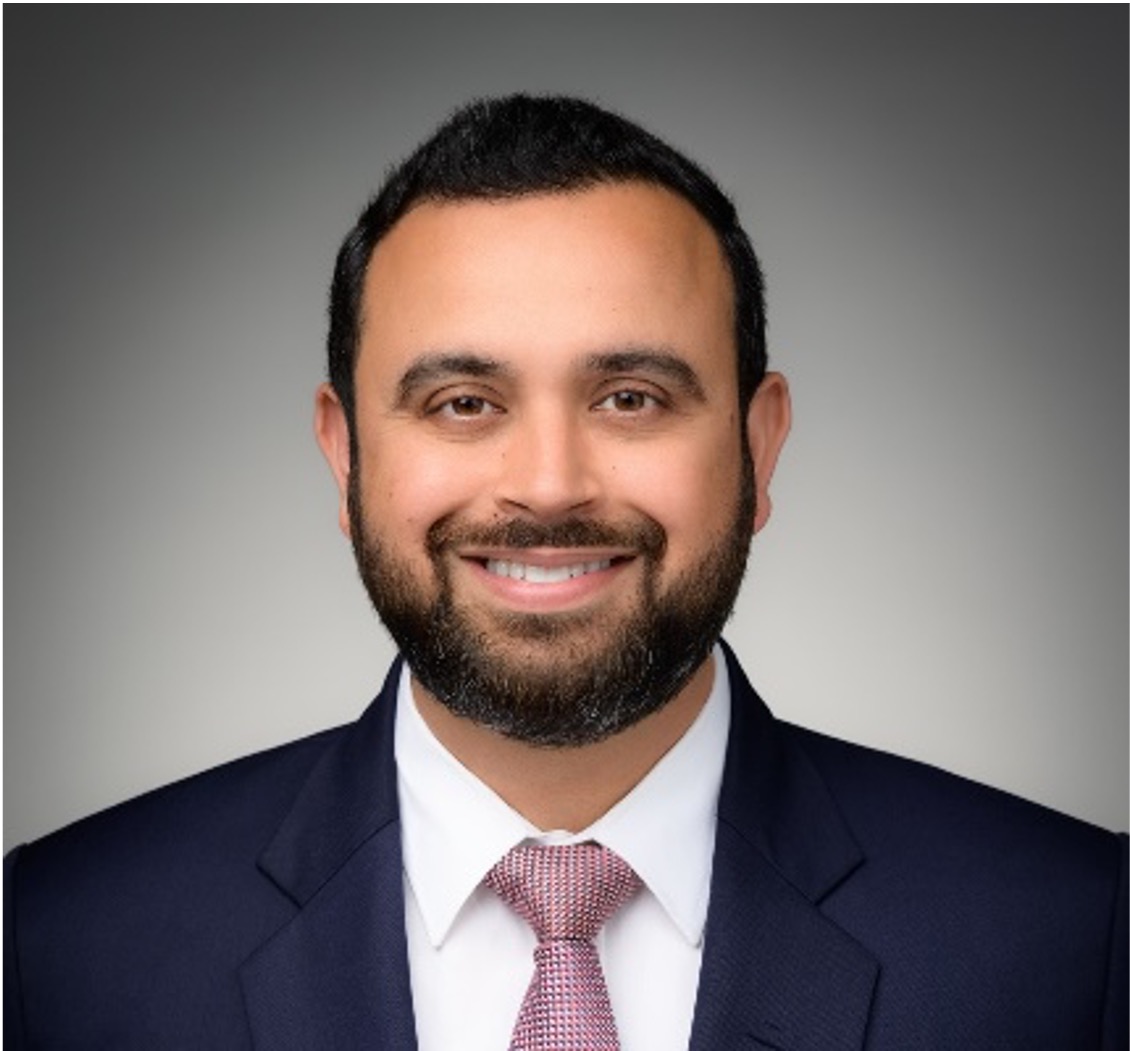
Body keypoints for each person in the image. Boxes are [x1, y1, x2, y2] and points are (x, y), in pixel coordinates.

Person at [4, 94, 1126, 1050]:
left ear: (757, 443)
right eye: (462, 403)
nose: (546, 487)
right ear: (344, 455)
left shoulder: (1071, 943)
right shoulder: (54, 945)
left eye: (629, 397)